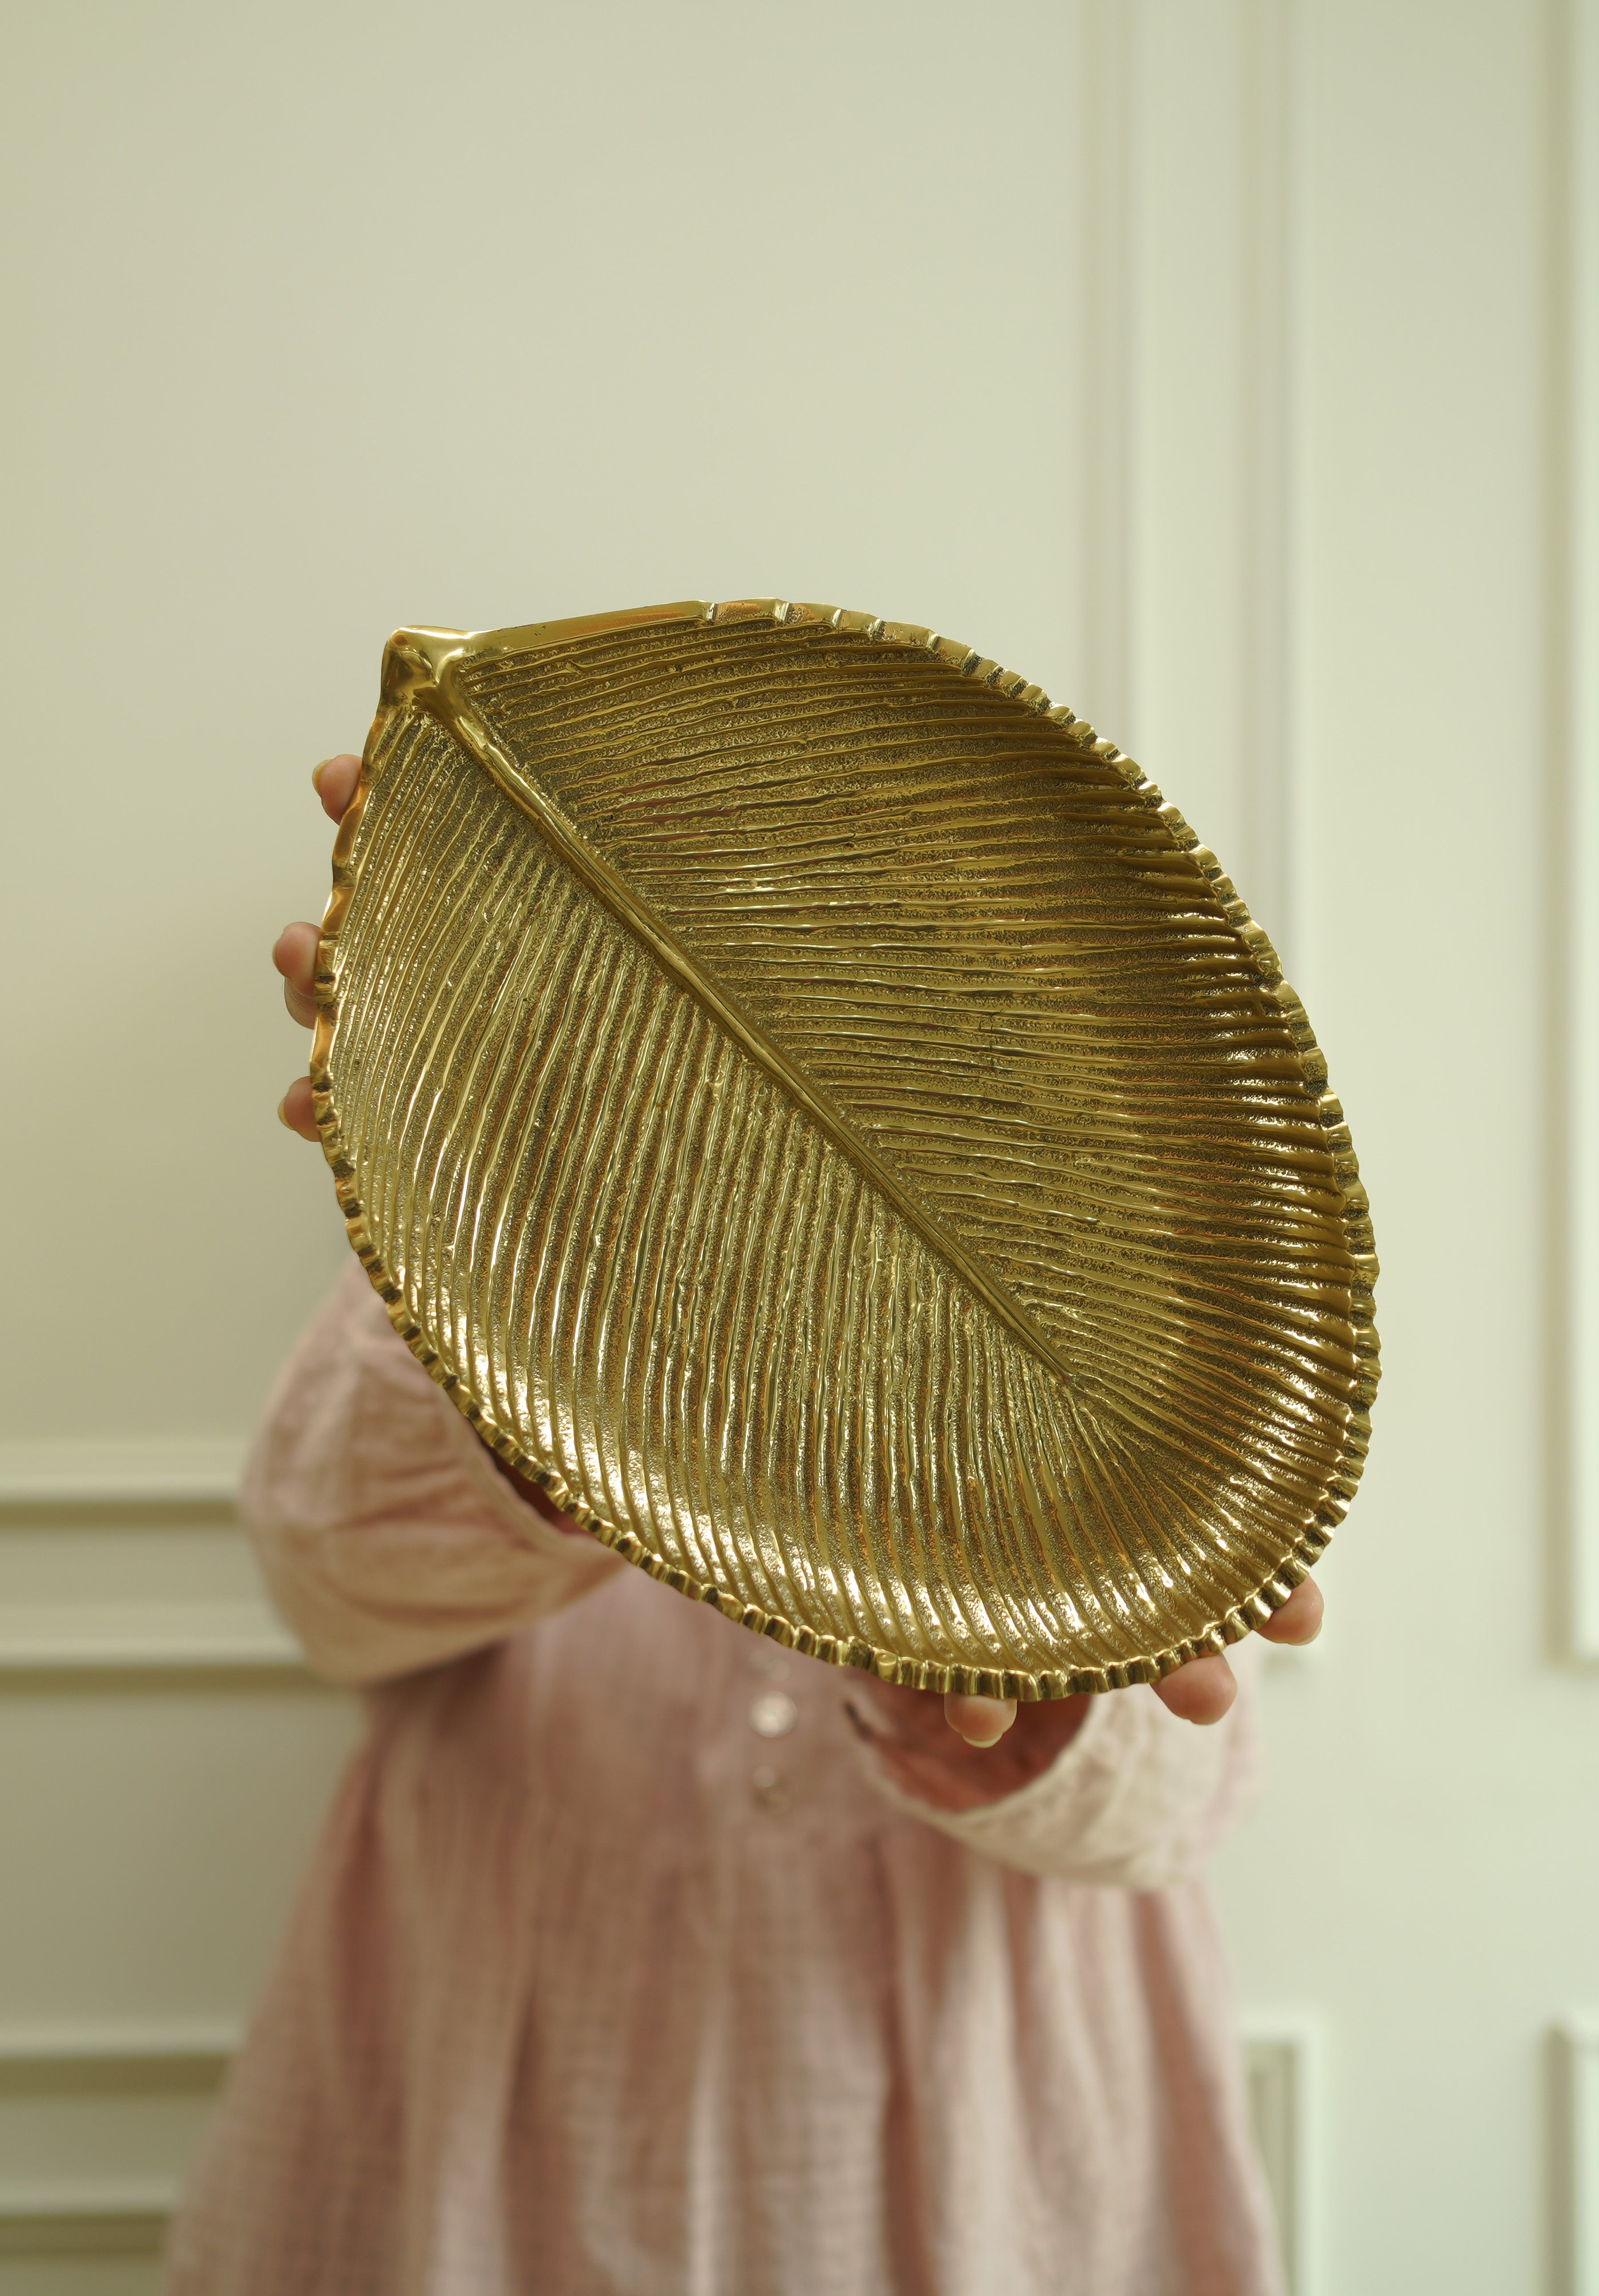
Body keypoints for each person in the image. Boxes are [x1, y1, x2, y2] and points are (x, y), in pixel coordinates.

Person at [162, 753, 1326, 2296]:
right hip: (486, 2095)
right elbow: (333, 1580)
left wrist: (1000, 1650)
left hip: (987, 2127)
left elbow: (1165, 1801)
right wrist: (558, 1317)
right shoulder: (479, 1269)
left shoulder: (1145, 1312)